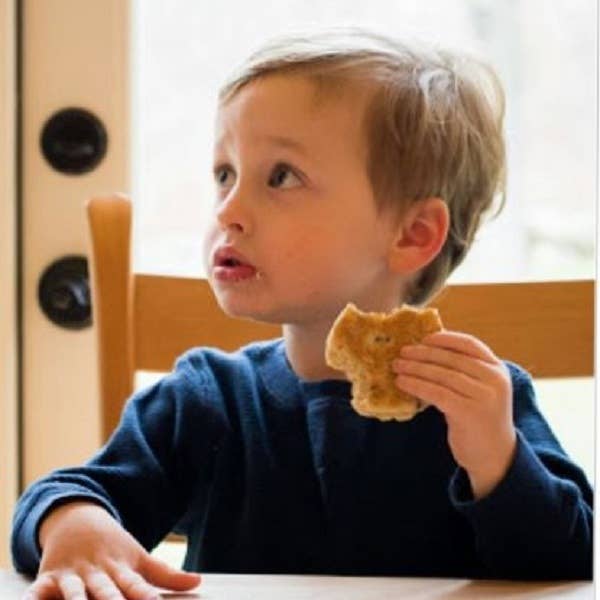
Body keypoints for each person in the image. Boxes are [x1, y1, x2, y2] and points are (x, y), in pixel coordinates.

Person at [12, 27, 593, 599]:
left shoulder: (484, 404)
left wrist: (497, 462)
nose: (229, 210)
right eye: (224, 175)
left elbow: (570, 559)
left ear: (413, 234)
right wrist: (73, 520)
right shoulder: (206, 399)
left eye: (281, 177)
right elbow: (73, 492)